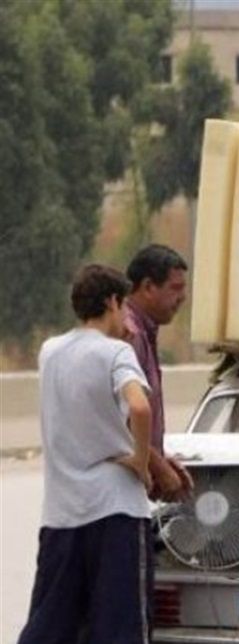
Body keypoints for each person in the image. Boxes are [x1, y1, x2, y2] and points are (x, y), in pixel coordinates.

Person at [19, 265, 155, 643]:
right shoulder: (117, 353)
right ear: (112, 302)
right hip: (117, 511)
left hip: (61, 514)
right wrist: (141, 462)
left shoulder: (49, 352)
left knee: (51, 626)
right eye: (124, 307)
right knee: (118, 628)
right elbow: (139, 407)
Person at [124, 244, 194, 502]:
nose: (183, 297)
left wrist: (161, 459)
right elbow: (122, 417)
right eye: (175, 288)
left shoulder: (145, 331)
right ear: (148, 287)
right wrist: (159, 467)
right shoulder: (130, 334)